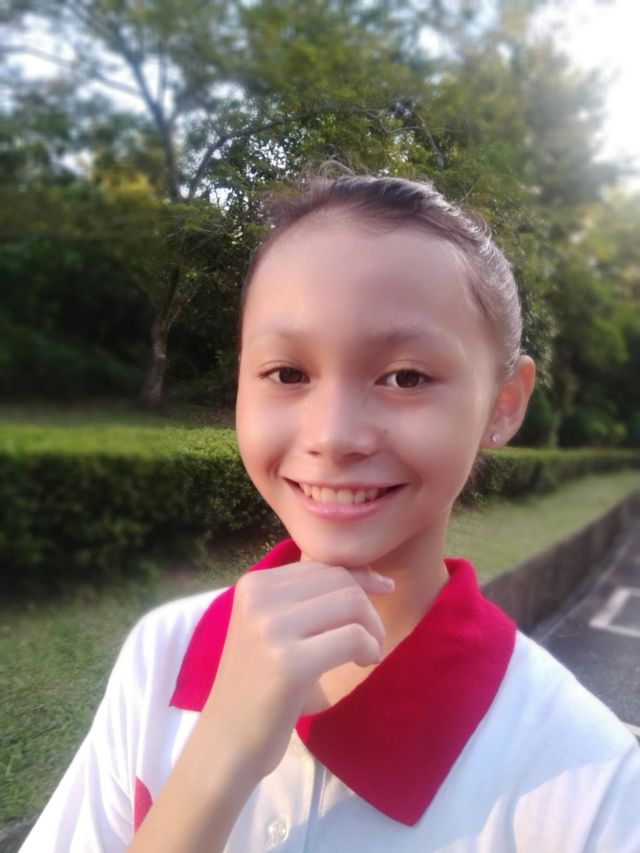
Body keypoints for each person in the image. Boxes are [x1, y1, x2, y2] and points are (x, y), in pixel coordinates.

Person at [21, 175, 640, 853]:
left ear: (504, 402)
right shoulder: (163, 652)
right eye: (287, 373)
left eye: (406, 377)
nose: (333, 436)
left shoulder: (589, 785)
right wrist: (217, 756)